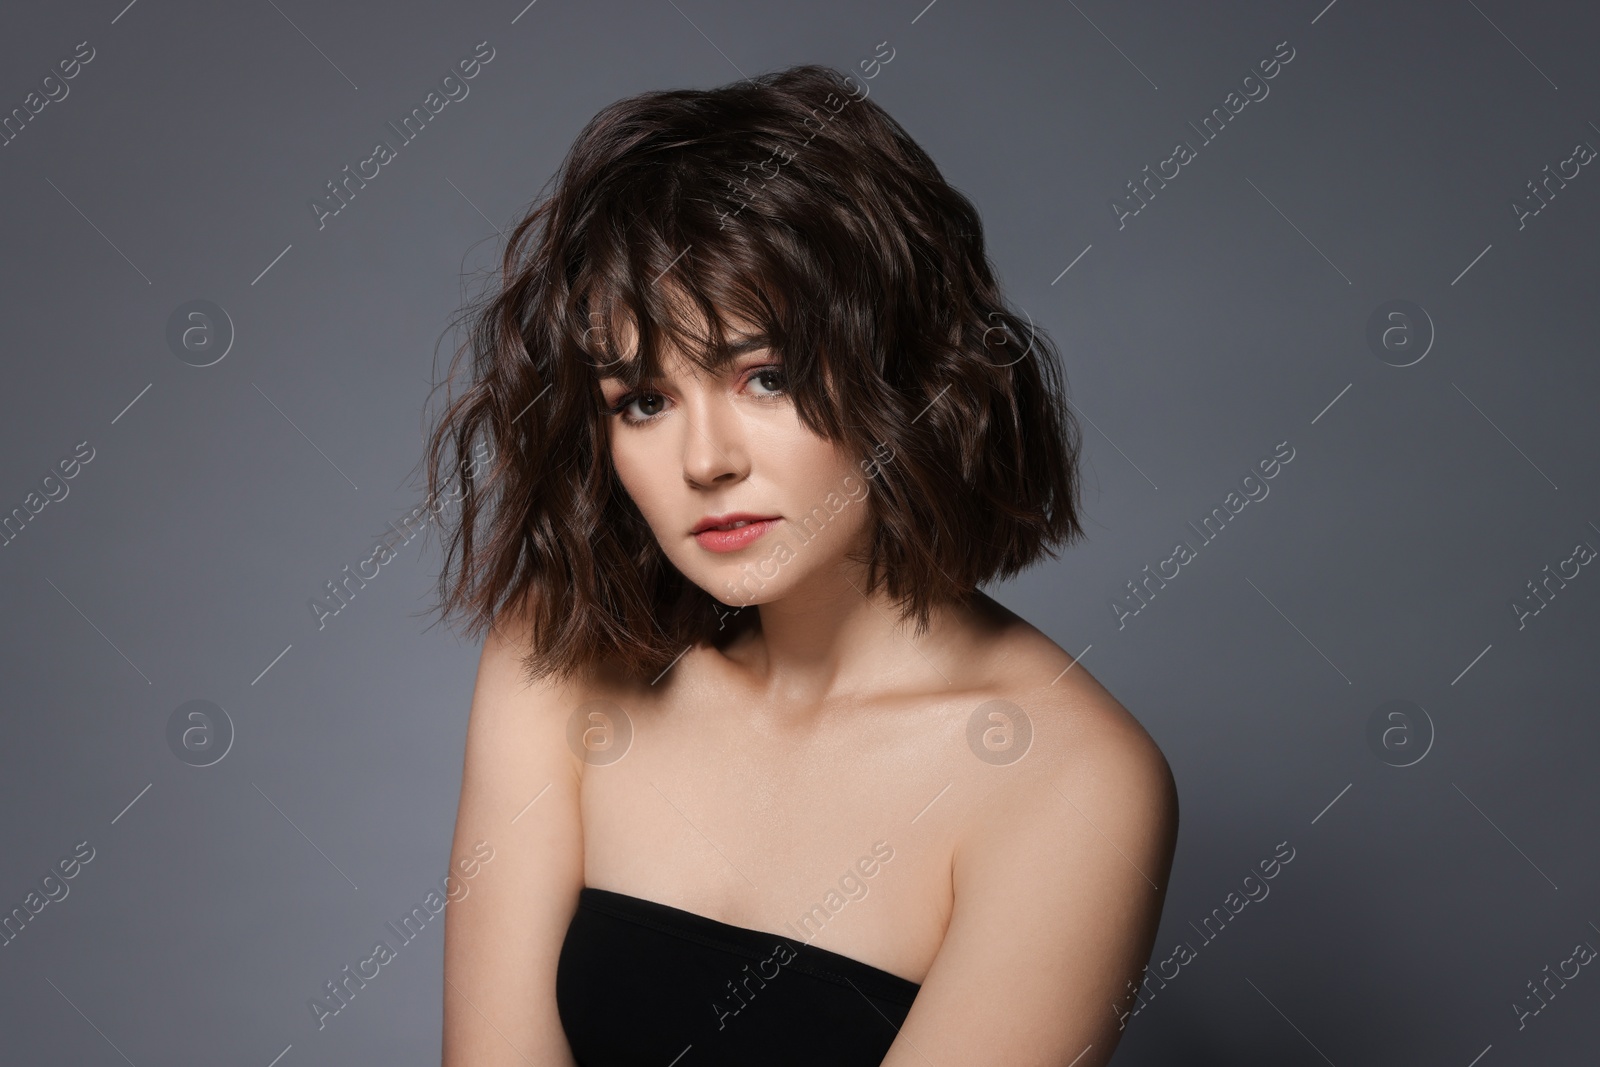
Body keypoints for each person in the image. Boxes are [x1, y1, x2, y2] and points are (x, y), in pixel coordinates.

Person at [426, 62, 1178, 1066]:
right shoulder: (558, 649)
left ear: (905, 370)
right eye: (642, 399)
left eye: (765, 376)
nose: (705, 460)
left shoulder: (1070, 778)